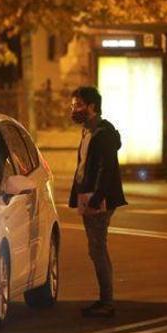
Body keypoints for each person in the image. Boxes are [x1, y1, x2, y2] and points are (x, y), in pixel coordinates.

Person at [68, 86, 127, 318]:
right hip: (88, 196)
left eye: (79, 105)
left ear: (92, 107)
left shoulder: (103, 134)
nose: (74, 110)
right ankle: (105, 299)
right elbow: (83, 166)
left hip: (97, 199)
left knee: (98, 248)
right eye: (73, 105)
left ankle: (107, 301)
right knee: (95, 249)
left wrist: (96, 197)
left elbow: (106, 169)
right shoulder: (87, 132)